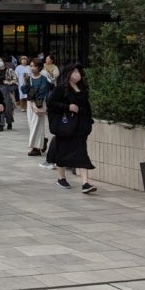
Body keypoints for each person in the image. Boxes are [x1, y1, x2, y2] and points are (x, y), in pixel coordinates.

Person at [47, 63, 97, 193]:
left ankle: (85, 183)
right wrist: (67, 107)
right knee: (62, 151)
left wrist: (88, 123)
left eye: (78, 72)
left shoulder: (82, 88)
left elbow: (86, 107)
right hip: (66, 127)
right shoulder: (62, 88)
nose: (77, 74)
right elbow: (51, 103)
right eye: (74, 71)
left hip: (80, 127)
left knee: (81, 152)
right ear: (68, 74)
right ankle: (61, 178)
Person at [24, 59, 52, 158]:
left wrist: (33, 95)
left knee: (36, 125)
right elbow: (24, 90)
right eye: (31, 66)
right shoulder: (28, 78)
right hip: (30, 103)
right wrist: (24, 84)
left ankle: (35, 148)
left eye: (34, 66)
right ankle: (42, 140)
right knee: (31, 124)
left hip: (39, 103)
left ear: (39, 67)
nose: (32, 68)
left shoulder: (43, 79)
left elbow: (43, 91)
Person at [0, 65, 17, 131]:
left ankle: (9, 122)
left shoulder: (10, 71)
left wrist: (8, 85)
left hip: (7, 90)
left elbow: (15, 81)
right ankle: (0, 124)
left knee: (8, 108)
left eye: (1, 60)